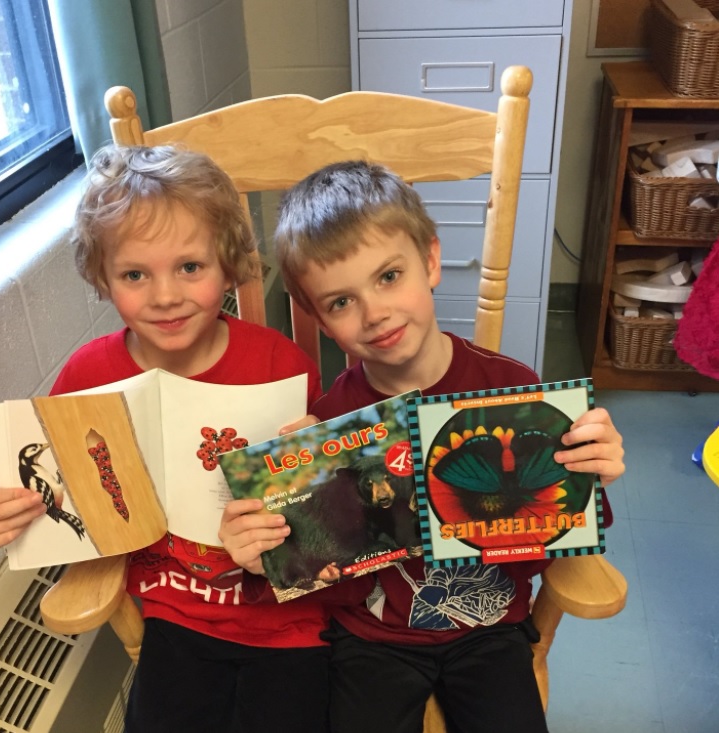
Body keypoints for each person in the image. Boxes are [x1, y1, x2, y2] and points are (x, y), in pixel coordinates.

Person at [220, 160, 626, 733]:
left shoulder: (515, 393)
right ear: (319, 318)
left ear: (430, 260)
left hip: (492, 631)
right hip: (372, 640)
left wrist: (591, 478)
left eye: (389, 276)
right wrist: (272, 546)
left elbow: (558, 540)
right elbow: (331, 578)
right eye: (340, 302)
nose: (375, 312)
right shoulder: (333, 423)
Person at [0, 145, 332, 733]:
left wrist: (320, 469)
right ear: (103, 280)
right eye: (135, 274)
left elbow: (325, 527)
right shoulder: (88, 378)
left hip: (290, 619)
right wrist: (9, 516)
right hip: (176, 616)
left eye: (190, 267)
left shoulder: (278, 364)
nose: (165, 296)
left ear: (230, 263)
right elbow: (67, 502)